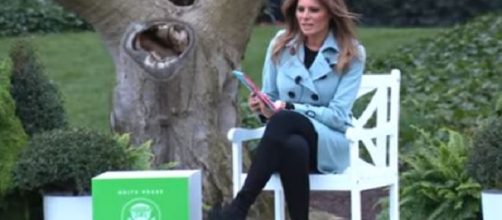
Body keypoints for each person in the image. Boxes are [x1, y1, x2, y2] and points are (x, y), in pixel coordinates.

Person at [211, 0, 365, 219]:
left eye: (314, 10)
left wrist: (292, 108)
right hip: (286, 139)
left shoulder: (351, 52)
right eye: (301, 10)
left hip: (328, 144)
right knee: (293, 145)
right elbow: (271, 96)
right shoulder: (281, 44)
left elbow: (338, 117)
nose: (305, 16)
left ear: (330, 14)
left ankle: (239, 208)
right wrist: (263, 106)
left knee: (286, 119)